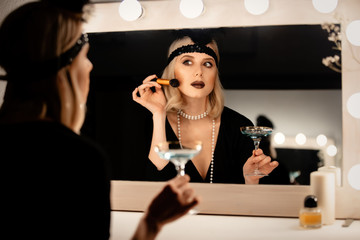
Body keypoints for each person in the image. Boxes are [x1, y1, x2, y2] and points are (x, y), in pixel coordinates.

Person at [0, 1, 199, 239]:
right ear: (65, 71)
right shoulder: (79, 159)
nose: (91, 65)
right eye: (84, 56)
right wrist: (151, 224)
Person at [133, 31, 279, 184]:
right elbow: (154, 183)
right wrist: (158, 113)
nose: (199, 72)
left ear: (215, 74)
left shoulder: (239, 126)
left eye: (207, 64)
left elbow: (251, 201)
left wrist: (251, 180)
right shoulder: (150, 124)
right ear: (172, 72)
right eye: (187, 62)